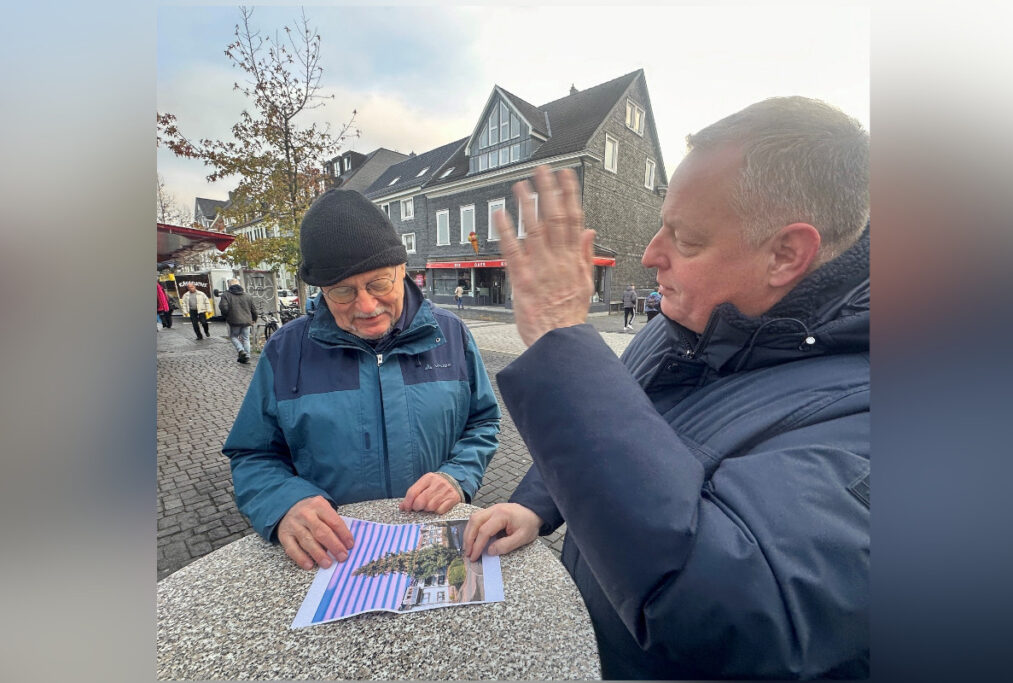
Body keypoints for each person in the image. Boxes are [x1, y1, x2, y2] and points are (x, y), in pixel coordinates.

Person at [463, 97, 870, 679]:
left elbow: (717, 608)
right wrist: (533, 504)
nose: (651, 255)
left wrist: (560, 336)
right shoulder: (686, 322)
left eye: (686, 239)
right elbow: (617, 427)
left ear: (786, 254)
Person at [223, 189, 501, 572]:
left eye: (380, 283)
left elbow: (482, 422)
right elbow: (253, 454)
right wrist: (284, 501)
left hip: (433, 546)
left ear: (403, 269)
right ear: (322, 290)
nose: (367, 306)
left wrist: (458, 476)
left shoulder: (451, 335)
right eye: (343, 291)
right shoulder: (285, 352)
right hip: (334, 558)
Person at [219, 278, 259, 364]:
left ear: (229, 285)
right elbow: (254, 309)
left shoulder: (225, 295)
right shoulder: (247, 295)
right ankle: (247, 356)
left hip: (234, 320)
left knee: (233, 336)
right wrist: (254, 319)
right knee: (246, 338)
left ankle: (241, 350)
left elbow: (223, 308)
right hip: (247, 320)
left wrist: (227, 316)